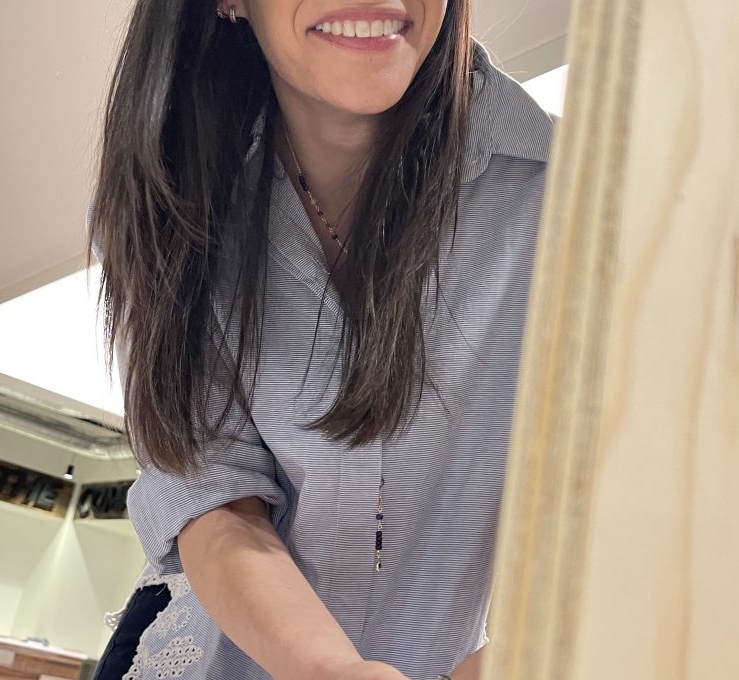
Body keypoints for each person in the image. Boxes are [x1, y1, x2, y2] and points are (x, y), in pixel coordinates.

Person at [88, 1, 552, 678]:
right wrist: (330, 669)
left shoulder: (581, 197)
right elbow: (213, 496)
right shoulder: (170, 197)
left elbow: (642, 530)